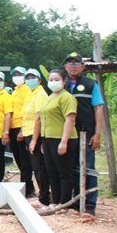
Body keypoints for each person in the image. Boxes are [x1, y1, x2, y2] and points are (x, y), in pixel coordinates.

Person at [65, 52, 104, 216]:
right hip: (68, 136)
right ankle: (75, 201)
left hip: (86, 134)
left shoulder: (90, 84)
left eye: (76, 63)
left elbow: (98, 108)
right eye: (70, 63)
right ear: (65, 66)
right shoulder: (61, 84)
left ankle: (89, 204)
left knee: (88, 169)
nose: (73, 66)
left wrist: (97, 134)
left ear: (83, 66)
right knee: (71, 168)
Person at [41, 69, 78, 206]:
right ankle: (55, 202)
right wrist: (43, 141)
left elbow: (70, 119)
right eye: (51, 80)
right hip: (48, 138)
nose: (53, 82)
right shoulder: (49, 97)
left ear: (64, 81)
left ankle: (65, 203)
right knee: (52, 172)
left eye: (57, 80)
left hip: (62, 138)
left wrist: (64, 142)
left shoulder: (67, 97)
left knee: (64, 172)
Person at [21, 68, 50, 208]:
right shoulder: (31, 94)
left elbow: (39, 117)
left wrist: (34, 139)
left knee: (40, 167)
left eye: (33, 77)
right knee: (36, 166)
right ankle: (42, 194)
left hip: (35, 134)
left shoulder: (40, 94)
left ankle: (44, 198)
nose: (29, 80)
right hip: (28, 133)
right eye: (27, 78)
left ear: (39, 80)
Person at [8, 66, 35, 197]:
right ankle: (27, 185)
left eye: (20, 74)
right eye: (15, 74)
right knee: (18, 158)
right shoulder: (15, 91)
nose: (17, 76)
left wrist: (22, 130)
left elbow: (27, 111)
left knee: (24, 159)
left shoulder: (26, 90)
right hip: (13, 126)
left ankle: (27, 187)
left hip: (21, 127)